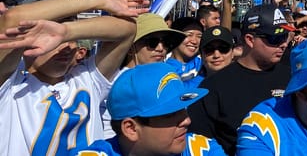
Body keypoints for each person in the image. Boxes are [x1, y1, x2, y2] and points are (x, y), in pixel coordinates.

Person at [0, 0, 148, 155]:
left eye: (71, 40)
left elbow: (127, 29)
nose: (66, 46)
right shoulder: (10, 88)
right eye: (47, 36)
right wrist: (98, 0)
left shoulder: (88, 79)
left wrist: (66, 32)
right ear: (25, 39)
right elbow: (13, 19)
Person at [188, 5, 294, 155]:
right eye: (274, 38)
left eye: (284, 37)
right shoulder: (214, 87)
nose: (283, 44)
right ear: (250, 40)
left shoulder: (294, 77)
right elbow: (199, 143)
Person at [71, 63, 225, 156]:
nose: (186, 120)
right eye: (170, 114)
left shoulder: (199, 149)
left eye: (183, 110)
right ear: (131, 128)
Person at [165, 17, 204, 89]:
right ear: (175, 37)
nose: (194, 41)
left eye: (199, 36)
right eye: (189, 35)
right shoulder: (162, 65)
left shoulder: (205, 62)